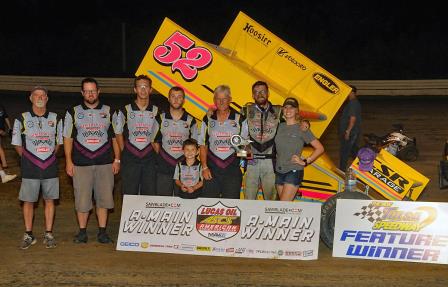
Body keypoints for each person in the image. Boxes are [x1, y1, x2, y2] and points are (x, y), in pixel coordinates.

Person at [63, 78, 120, 244]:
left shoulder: (110, 111)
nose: (90, 94)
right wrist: (68, 161)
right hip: (81, 163)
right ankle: (82, 232)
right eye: (87, 91)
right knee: (82, 199)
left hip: (105, 162)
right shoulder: (72, 112)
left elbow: (115, 138)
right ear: (82, 93)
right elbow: (68, 138)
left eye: (93, 90)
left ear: (99, 91)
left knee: (104, 199)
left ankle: (102, 232)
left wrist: (117, 159)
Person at [11, 86, 63, 249]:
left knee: (49, 200)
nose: (40, 97)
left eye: (43, 95)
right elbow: (17, 144)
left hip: (50, 167)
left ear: (47, 98)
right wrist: (29, 159)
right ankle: (29, 234)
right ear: (30, 98)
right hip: (30, 167)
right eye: (36, 95)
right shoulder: (21, 118)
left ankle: (48, 234)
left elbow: (58, 143)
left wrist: (48, 157)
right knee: (28, 201)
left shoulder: (55, 118)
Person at [199, 85, 248, 199]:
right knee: (208, 205)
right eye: (218, 98)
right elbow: (203, 145)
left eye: (224, 98)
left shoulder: (240, 119)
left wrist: (241, 163)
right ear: (214, 100)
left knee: (231, 206)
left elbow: (245, 146)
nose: (221, 102)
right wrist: (205, 167)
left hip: (232, 170)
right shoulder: (208, 119)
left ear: (230, 99)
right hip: (211, 170)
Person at [113, 75, 159, 195]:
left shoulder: (157, 111)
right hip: (130, 156)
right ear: (135, 89)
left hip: (149, 157)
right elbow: (118, 132)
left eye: (146, 86)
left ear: (150, 89)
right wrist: (124, 150)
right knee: (129, 193)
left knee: (149, 193)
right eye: (140, 86)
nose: (143, 90)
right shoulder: (125, 110)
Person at [274, 97, 324, 201]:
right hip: (279, 170)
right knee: (282, 207)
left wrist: (306, 161)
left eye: (291, 108)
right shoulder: (278, 126)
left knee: (283, 205)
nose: (288, 110)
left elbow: (320, 148)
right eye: (286, 107)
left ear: (297, 110)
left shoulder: (302, 128)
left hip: (294, 170)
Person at [153, 86, 198, 196]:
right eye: (173, 96)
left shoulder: (191, 120)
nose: (176, 99)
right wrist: (163, 157)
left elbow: (196, 144)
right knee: (163, 201)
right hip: (164, 165)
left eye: (179, 97)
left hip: (184, 166)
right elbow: (154, 141)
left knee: (182, 201)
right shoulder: (160, 118)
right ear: (168, 98)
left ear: (184, 100)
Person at [241, 81, 282, 200]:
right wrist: (244, 157)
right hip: (251, 162)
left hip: (270, 162)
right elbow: (239, 138)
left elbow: (295, 121)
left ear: (268, 93)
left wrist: (305, 123)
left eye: (263, 91)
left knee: (271, 202)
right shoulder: (246, 111)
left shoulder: (279, 111)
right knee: (248, 200)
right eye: (256, 92)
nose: (260, 94)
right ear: (252, 95)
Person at [339, 85, 361, 171]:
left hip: (351, 132)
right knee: (354, 151)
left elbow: (353, 118)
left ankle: (342, 171)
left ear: (352, 93)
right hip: (354, 132)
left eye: (348, 92)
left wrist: (348, 131)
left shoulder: (353, 103)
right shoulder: (354, 102)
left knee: (344, 152)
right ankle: (364, 167)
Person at [0, 103, 12, 169]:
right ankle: (4, 165)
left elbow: (5, 117)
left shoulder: (1, 106)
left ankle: (4, 165)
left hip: (2, 130)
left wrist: (10, 128)